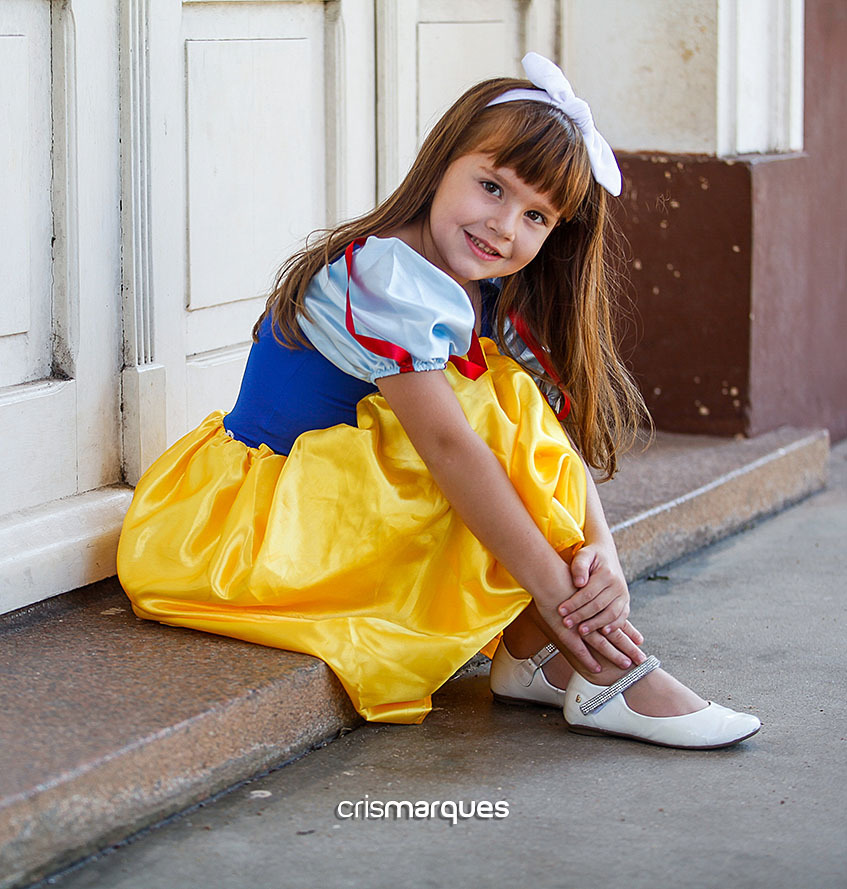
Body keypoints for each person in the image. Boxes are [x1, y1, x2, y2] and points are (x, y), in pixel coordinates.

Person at [118, 53, 760, 749]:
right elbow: (452, 451)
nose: (504, 226)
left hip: (323, 508)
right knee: (482, 423)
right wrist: (559, 594)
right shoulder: (385, 276)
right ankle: (600, 661)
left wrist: (601, 550)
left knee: (505, 397)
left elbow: (531, 425)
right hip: (250, 534)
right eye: (491, 186)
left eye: (536, 216)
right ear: (441, 161)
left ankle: (532, 652)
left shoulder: (463, 278)